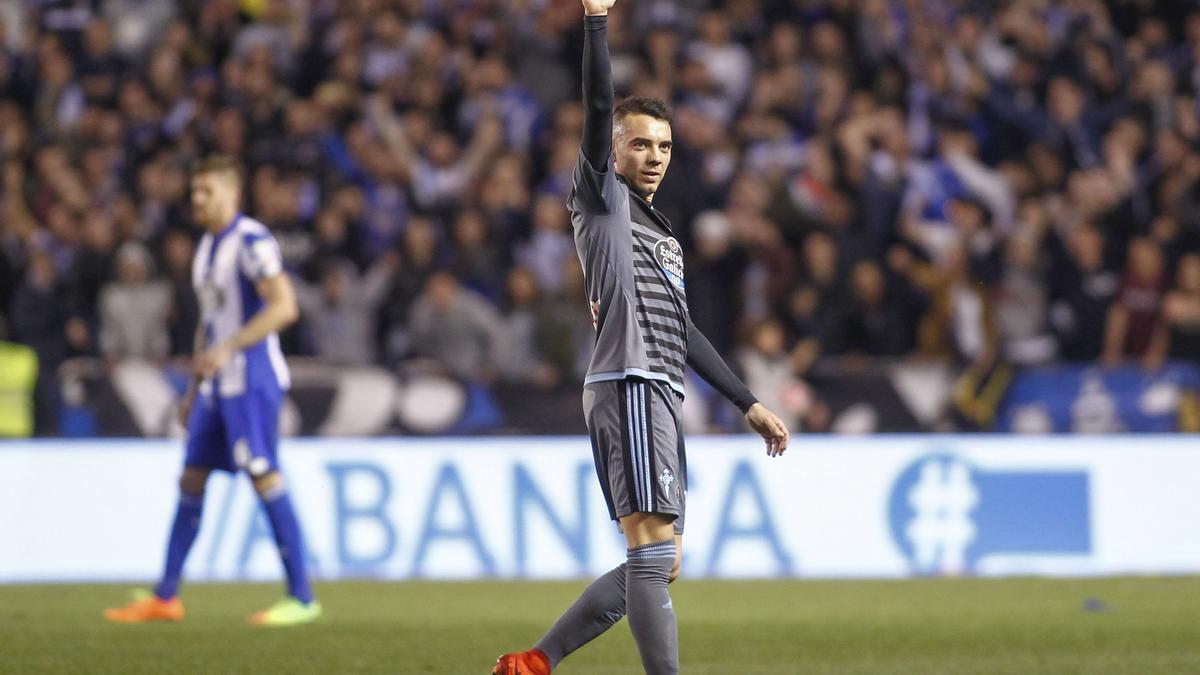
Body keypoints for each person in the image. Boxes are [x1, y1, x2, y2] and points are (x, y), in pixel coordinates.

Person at [493, 2, 790, 674]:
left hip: (658, 390)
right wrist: (596, 22)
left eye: (663, 146)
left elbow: (682, 328)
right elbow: (599, 104)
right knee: (653, 556)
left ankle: (534, 662)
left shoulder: (661, 235)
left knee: (662, 561)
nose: (652, 156)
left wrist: (746, 401)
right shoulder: (602, 199)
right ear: (614, 150)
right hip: (629, 383)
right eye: (638, 144)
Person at [103, 155, 320, 626]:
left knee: (264, 475)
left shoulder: (252, 240)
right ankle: (166, 597)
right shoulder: (206, 249)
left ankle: (302, 598)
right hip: (218, 387)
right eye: (195, 192)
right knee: (192, 478)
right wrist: (192, 390)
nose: (197, 200)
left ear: (232, 194)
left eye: (207, 192)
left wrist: (230, 348)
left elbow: (284, 307)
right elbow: (210, 323)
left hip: (254, 379)